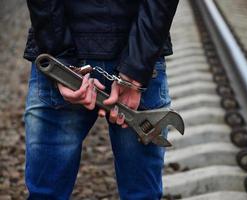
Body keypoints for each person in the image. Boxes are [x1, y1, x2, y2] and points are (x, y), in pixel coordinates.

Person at [23, 0, 179, 199]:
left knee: (46, 195)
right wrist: (137, 67)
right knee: (143, 195)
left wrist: (60, 60)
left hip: (62, 42)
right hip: (141, 55)